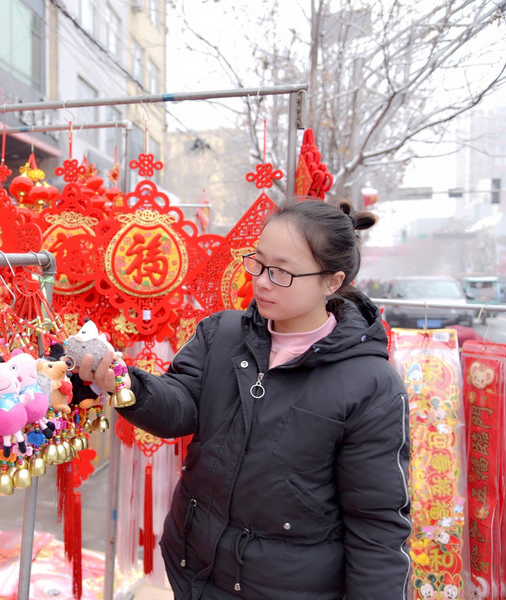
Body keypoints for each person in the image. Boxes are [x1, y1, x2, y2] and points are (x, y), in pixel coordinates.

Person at [79, 199, 412, 600]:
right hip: (193, 567)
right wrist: (123, 381)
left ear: (332, 281)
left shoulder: (370, 384)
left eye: (282, 271)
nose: (263, 282)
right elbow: (181, 405)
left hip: (286, 588)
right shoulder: (223, 333)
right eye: (258, 262)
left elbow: (375, 524)